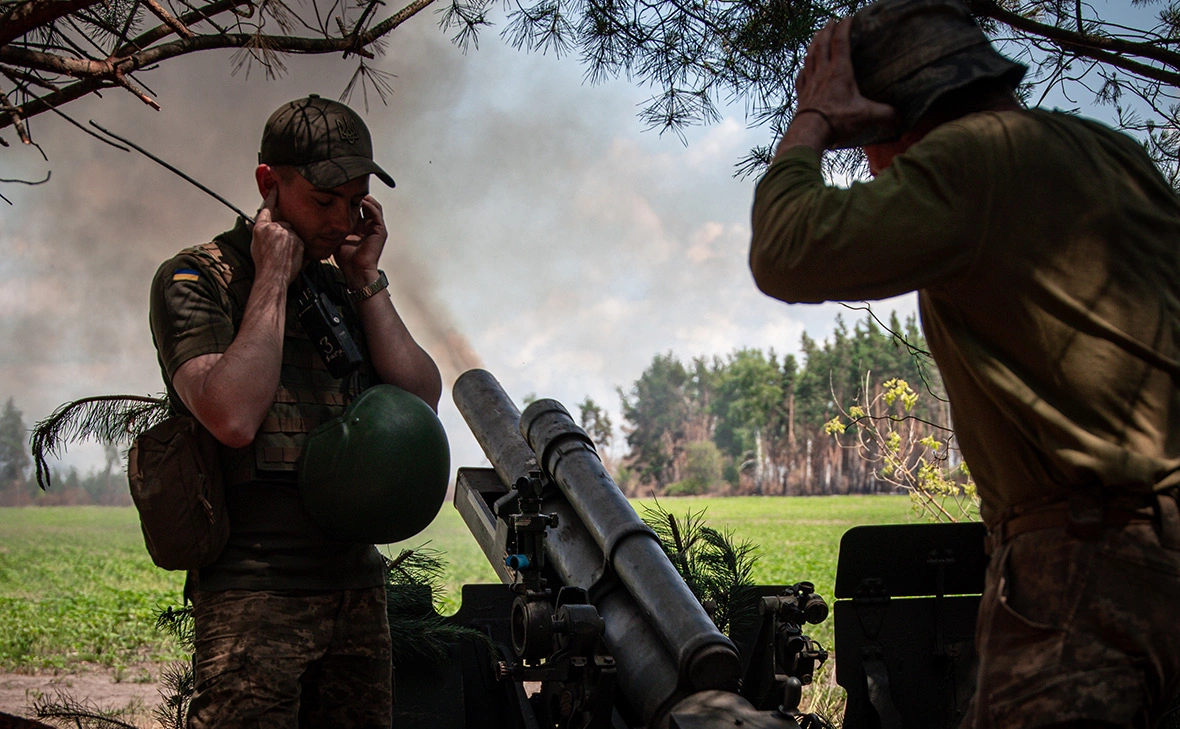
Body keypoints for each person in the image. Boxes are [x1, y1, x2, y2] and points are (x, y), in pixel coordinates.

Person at [747, 0, 1180, 726]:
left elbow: (785, 251)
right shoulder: (1113, 154)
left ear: (891, 122)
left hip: (1083, 560)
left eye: (867, 146)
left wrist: (814, 120)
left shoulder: (969, 160)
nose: (873, 170)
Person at [149, 94, 442, 728]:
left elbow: (419, 402)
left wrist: (366, 280)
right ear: (269, 184)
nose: (341, 220)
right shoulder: (197, 280)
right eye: (324, 200)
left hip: (354, 585)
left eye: (355, 202)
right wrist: (272, 279)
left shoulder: (342, 286)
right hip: (255, 588)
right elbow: (232, 417)